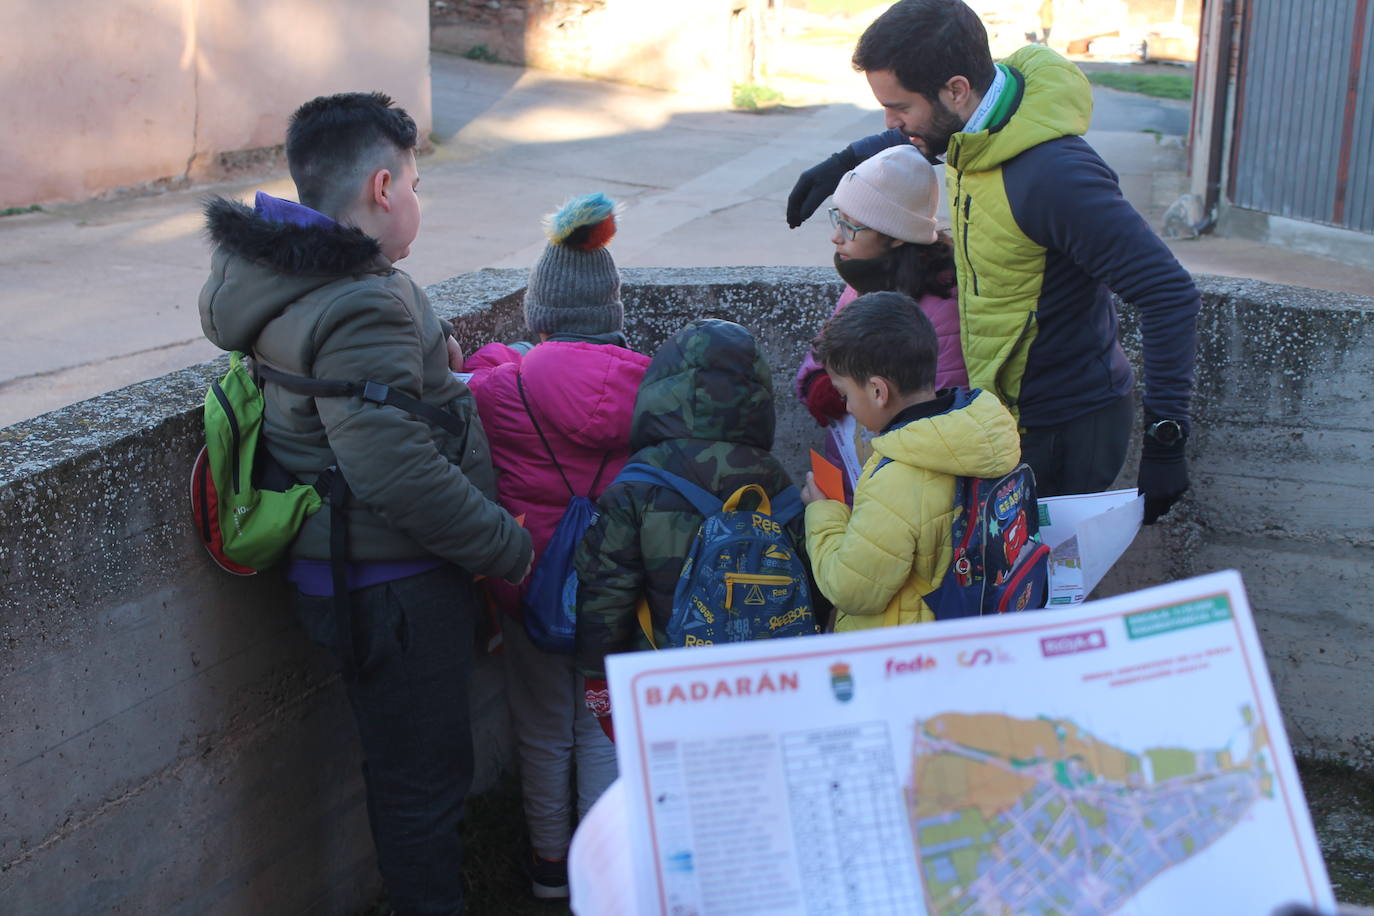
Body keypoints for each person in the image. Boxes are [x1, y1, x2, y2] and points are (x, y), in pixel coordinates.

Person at [199, 92, 532, 915]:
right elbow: (395, 470)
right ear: (382, 187)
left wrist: (426, 358)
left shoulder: (290, 276)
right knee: (424, 787)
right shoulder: (358, 302)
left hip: (347, 572)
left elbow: (349, 400)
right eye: (416, 184)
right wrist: (509, 547)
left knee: (405, 774)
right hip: (394, 583)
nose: (417, 200)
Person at [785, 0, 1200, 523]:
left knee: (1038, 594)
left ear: (956, 90)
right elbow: (925, 130)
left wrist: (1166, 441)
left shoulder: (1054, 177)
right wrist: (848, 160)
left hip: (1062, 429)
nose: (891, 123)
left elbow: (1169, 293)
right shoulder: (974, 132)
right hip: (1005, 417)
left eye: (899, 107)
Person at [461, 193, 650, 900]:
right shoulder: (653, 385)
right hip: (619, 584)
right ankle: (605, 880)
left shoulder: (500, 388)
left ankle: (548, 869)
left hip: (529, 579)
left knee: (543, 729)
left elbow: (467, 377)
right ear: (612, 310)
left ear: (538, 313)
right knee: (603, 727)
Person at [573, 319, 819, 737]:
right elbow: (810, 587)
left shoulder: (638, 483)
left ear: (661, 389)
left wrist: (597, 676)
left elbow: (605, 589)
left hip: (665, 687)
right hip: (758, 690)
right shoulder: (776, 479)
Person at [800, 291, 1020, 630]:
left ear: (877, 391)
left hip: (905, 653)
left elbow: (852, 589)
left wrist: (824, 513)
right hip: (967, 631)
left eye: (845, 395)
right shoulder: (976, 434)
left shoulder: (898, 478)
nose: (846, 408)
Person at [795, 144, 966, 439]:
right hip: (854, 464)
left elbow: (939, 416)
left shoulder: (941, 307)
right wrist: (820, 383)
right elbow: (822, 353)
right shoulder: (862, 278)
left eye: (851, 226)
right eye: (838, 218)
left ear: (896, 236)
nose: (835, 237)